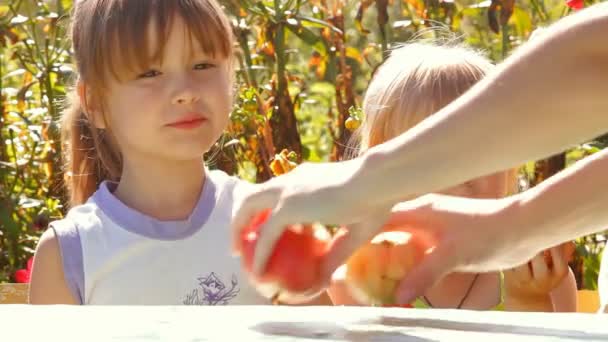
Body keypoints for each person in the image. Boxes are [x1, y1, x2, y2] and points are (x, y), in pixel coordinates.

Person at [230, 2, 608, 306]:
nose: (455, 174)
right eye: (438, 153)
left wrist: (528, 294)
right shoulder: (355, 271)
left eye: (476, 152)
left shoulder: (532, 272)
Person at [28, 0, 331, 306]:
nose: (186, 92)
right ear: (94, 102)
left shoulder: (269, 223)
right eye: (150, 73)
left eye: (203, 65)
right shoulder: (69, 253)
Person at [325, 42, 576, 312]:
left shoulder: (539, 278)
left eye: (478, 152)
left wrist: (528, 300)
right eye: (426, 159)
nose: (454, 176)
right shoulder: (355, 283)